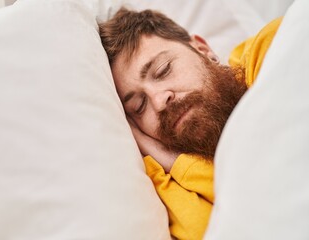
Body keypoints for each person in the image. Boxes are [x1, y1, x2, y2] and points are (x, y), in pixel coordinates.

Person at [99, 7, 282, 240]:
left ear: (203, 49)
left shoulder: (273, 49)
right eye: (139, 106)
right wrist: (173, 162)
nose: (159, 101)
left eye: (162, 71)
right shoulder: (166, 189)